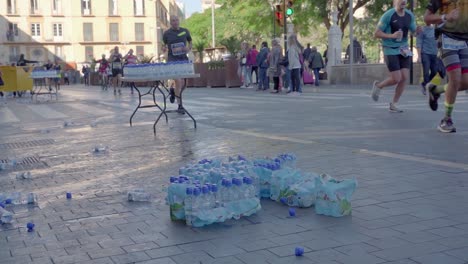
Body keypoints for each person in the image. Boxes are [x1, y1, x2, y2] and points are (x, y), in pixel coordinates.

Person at [424, 0, 467, 133]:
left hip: (465, 40)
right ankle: (446, 120)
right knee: (454, 79)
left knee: (465, 83)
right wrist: (445, 17)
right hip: (447, 38)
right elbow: (427, 18)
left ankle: (436, 91)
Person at [371, 0, 419, 113]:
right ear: (395, 1)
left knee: (404, 78)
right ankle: (379, 85)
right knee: (396, 78)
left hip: (404, 49)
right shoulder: (388, 15)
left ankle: (394, 104)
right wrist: (391, 36)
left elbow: (414, 31)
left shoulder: (409, 15)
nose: (403, 1)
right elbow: (376, 33)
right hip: (390, 49)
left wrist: (418, 31)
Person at [162, 15, 193, 114]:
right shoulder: (167, 33)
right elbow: (164, 45)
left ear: (178, 21)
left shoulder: (185, 31)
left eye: (176, 20)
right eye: (173, 21)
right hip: (172, 60)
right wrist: (164, 50)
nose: (175, 22)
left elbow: (190, 41)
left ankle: (172, 91)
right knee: (179, 81)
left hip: (183, 59)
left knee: (184, 83)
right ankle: (180, 105)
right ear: (170, 22)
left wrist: (188, 48)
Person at [416, 23, 438, 95]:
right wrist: (419, 56)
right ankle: (426, 87)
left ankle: (424, 84)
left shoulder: (436, 30)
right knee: (426, 71)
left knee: (434, 71)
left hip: (434, 54)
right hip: (425, 54)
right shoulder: (422, 30)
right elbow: (419, 43)